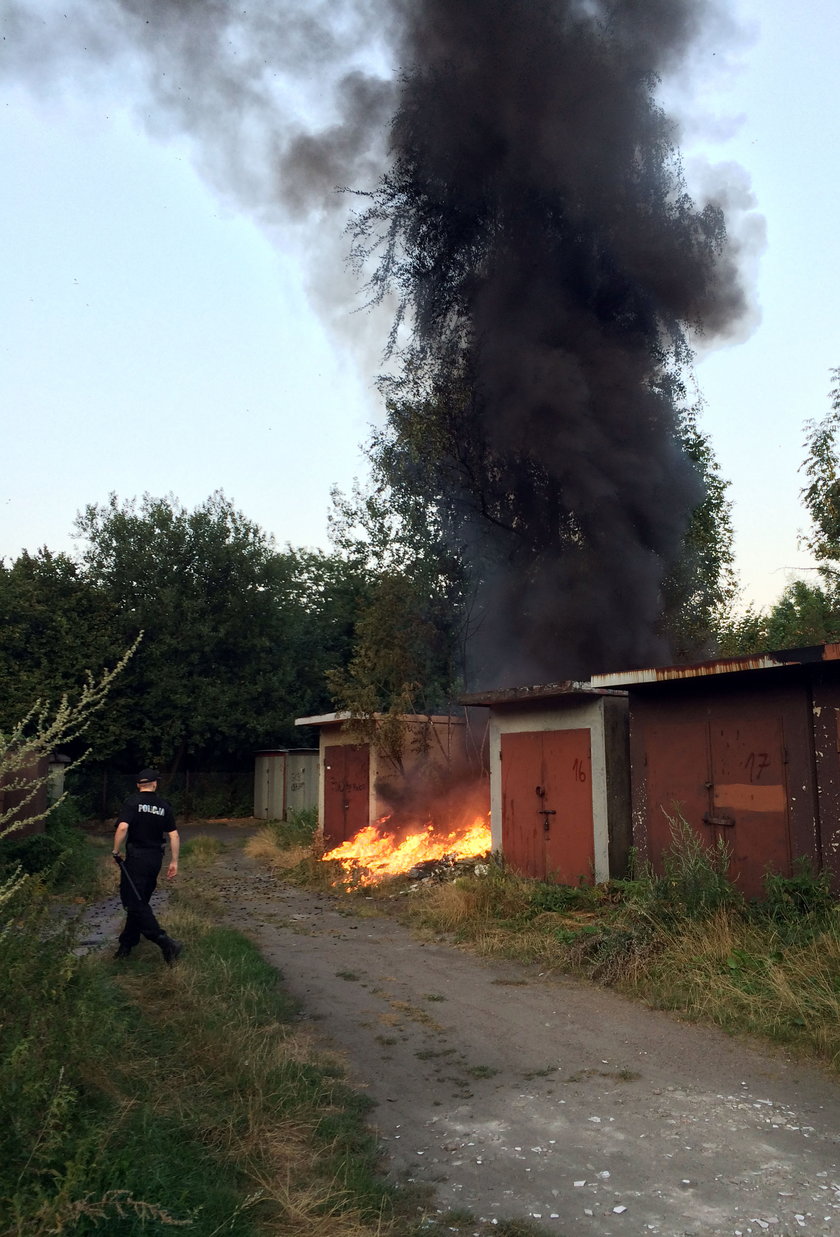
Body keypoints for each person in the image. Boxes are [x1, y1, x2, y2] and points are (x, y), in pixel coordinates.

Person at [112, 767, 183, 964]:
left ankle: (165, 942)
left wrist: (116, 850)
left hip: (136, 859)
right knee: (139, 901)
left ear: (138, 785)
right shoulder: (164, 805)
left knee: (133, 902)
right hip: (155, 860)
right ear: (155, 784)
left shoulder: (132, 802)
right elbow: (174, 835)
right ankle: (126, 946)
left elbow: (123, 827)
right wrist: (174, 861)